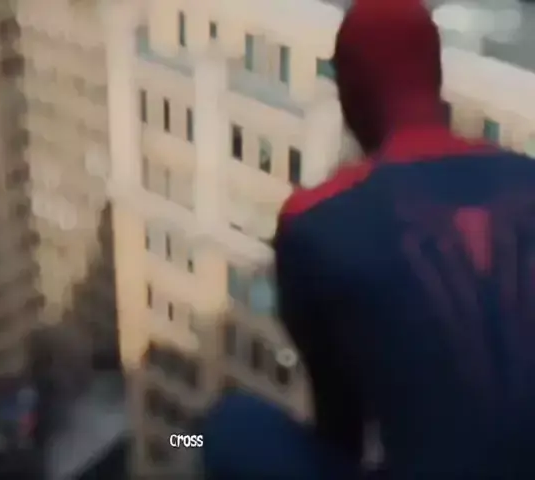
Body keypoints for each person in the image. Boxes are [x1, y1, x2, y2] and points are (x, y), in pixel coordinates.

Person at [201, 0, 535, 478]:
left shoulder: (314, 221)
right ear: (435, 80)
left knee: (225, 427)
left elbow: (341, 431)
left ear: (349, 98)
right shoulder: (526, 175)